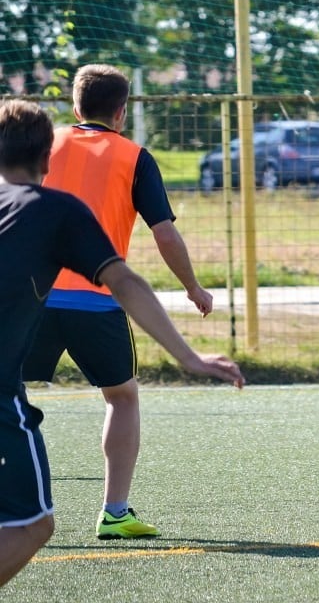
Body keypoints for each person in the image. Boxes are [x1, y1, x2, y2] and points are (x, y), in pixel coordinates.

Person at [0, 99, 244, 588]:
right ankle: (114, 508)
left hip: (42, 319)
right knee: (33, 524)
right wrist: (188, 356)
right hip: (89, 311)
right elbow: (128, 279)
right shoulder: (63, 206)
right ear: (48, 157)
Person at [21, 64, 214, 541]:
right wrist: (193, 287)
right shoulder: (134, 156)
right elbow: (164, 233)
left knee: (8, 391)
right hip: (96, 301)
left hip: (31, 299)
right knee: (122, 397)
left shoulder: (42, 144)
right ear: (122, 112)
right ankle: (114, 511)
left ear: (74, 105)